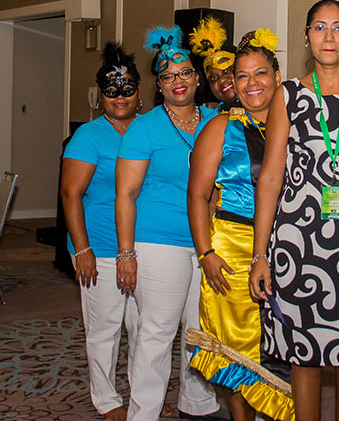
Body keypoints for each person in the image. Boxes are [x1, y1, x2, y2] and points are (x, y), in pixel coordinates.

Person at [249, 0, 339, 421]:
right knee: (304, 352)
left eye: (338, 27)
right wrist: (260, 254)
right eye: (319, 27)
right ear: (306, 36)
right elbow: (271, 177)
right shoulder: (288, 95)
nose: (329, 37)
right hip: (298, 241)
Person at [114, 26, 220, 421]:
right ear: (158, 85)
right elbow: (125, 194)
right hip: (159, 242)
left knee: (202, 331)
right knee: (157, 333)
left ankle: (198, 406)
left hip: (207, 243)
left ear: (197, 77)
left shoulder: (217, 120)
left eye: (185, 72)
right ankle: (144, 413)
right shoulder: (145, 127)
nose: (178, 81)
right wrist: (126, 254)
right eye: (167, 75)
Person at [187, 29, 294, 421]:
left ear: (277, 76)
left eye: (261, 73)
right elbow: (197, 195)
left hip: (290, 245)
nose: (252, 84)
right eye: (242, 76)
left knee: (290, 345)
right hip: (232, 248)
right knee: (239, 349)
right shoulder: (219, 128)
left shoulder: (299, 125)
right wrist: (206, 253)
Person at [61, 42, 142, 421]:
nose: (120, 97)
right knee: (105, 327)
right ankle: (107, 400)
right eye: (111, 91)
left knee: (144, 328)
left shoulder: (148, 128)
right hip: (100, 246)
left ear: (139, 91)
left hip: (142, 246)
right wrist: (82, 250)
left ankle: (142, 397)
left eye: (127, 89)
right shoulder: (88, 136)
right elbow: (70, 194)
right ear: (100, 96)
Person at [189, 16, 238, 108]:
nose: (221, 80)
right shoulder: (214, 117)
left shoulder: (265, 109)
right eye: (213, 78)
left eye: (227, 70)